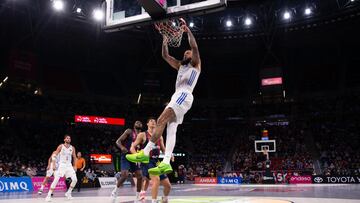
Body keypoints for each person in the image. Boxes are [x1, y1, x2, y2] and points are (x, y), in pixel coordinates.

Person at [126, 22, 201, 176]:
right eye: (186, 53)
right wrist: (165, 39)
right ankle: (166, 162)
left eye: (189, 53)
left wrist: (188, 32)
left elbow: (194, 47)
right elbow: (165, 56)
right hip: (179, 96)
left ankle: (145, 152)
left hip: (184, 95)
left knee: (160, 120)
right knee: (171, 129)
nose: (188, 53)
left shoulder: (196, 63)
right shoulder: (181, 65)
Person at [131, 118, 171, 203]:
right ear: (147, 124)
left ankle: (164, 199)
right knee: (156, 180)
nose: (153, 122)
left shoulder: (160, 136)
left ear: (156, 125)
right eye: (151, 121)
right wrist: (137, 158)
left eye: (154, 121)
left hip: (156, 162)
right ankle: (153, 201)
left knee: (168, 186)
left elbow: (164, 149)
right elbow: (132, 147)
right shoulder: (142, 135)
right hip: (147, 161)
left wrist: (170, 154)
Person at [111, 121, 143, 201]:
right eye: (136, 122)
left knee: (140, 176)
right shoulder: (129, 131)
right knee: (124, 175)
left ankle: (137, 196)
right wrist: (122, 147)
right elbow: (118, 141)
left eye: (140, 122)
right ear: (134, 125)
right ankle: (115, 191)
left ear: (142, 126)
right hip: (126, 156)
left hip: (135, 156)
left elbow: (142, 146)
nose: (138, 123)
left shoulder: (142, 135)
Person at [46, 134, 77, 202]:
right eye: (67, 138)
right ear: (64, 140)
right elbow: (54, 155)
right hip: (62, 165)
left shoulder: (72, 147)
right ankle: (48, 195)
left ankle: (68, 193)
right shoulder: (61, 146)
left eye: (69, 138)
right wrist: (53, 164)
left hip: (69, 166)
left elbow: (74, 157)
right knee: (56, 179)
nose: (68, 139)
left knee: (75, 179)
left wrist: (75, 166)